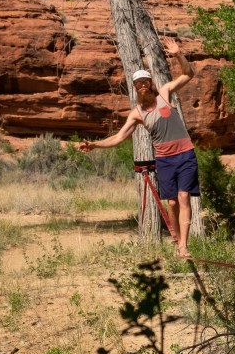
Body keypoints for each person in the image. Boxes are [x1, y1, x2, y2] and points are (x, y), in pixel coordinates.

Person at [79, 36, 199, 259]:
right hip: (164, 159)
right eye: (138, 83)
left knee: (183, 197)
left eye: (145, 81)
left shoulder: (165, 93)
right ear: (135, 88)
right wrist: (95, 145)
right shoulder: (137, 114)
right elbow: (119, 137)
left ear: (150, 84)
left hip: (185, 154)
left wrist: (179, 54)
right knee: (172, 201)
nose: (143, 85)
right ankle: (177, 241)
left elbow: (188, 74)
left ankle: (183, 245)